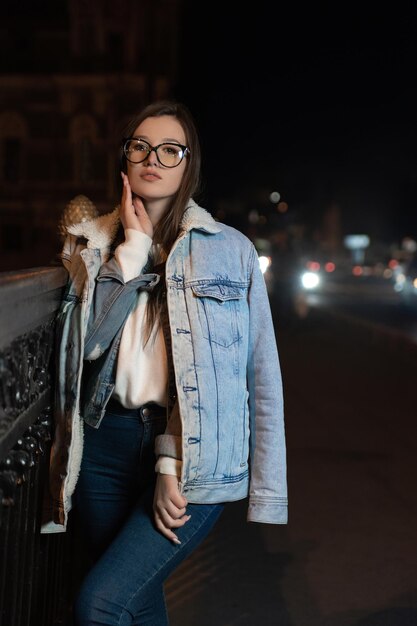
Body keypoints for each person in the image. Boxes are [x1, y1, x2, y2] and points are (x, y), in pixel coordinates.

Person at [42, 100, 288, 625]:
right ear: (125, 159)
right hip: (102, 448)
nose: (153, 158)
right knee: (137, 601)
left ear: (188, 164)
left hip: (189, 453)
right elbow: (85, 349)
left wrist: (171, 461)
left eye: (169, 149)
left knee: (100, 603)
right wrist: (130, 252)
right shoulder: (91, 245)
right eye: (140, 146)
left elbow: (260, 374)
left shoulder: (230, 251)